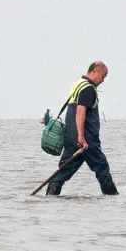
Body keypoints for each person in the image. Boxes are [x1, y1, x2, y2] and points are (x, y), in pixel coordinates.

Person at [42, 62, 116, 195]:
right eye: (103, 76)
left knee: (63, 171)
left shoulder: (78, 84)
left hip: (71, 138)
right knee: (102, 167)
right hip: (86, 140)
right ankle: (113, 199)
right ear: (94, 72)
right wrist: (82, 137)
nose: (103, 81)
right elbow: (80, 111)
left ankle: (50, 199)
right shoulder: (88, 88)